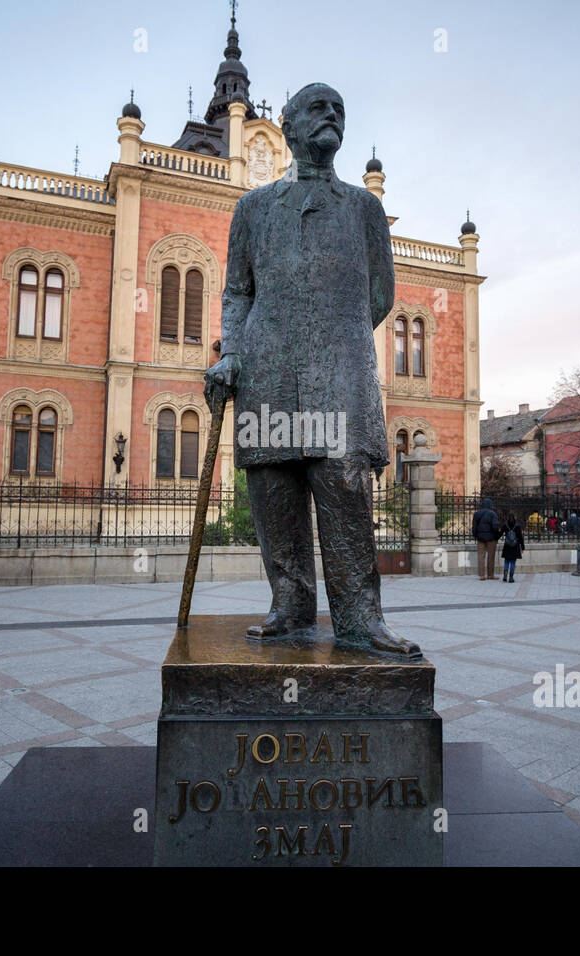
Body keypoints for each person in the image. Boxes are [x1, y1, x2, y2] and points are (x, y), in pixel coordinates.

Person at [203, 82, 417, 656]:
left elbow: (380, 296)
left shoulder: (365, 209)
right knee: (274, 490)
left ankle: (358, 619)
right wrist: (235, 354)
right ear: (290, 127)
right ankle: (290, 608)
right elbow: (236, 294)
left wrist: (325, 330)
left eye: (340, 110)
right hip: (267, 370)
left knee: (343, 489)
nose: (332, 117)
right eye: (319, 108)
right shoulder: (252, 209)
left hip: (339, 372)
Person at [472, 497, 502, 580]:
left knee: (481, 556)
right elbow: (495, 527)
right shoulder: (493, 514)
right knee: (491, 556)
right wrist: (497, 536)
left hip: (480, 538)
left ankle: (481, 575)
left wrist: (476, 536)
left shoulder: (477, 514)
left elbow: (474, 527)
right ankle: (490, 575)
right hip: (491, 538)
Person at [501, 515, 523, 583]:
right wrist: (522, 547)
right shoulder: (518, 526)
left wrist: (495, 537)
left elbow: (500, 533)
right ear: (514, 518)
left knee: (506, 561)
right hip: (515, 546)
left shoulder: (505, 526)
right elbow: (521, 538)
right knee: (513, 562)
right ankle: (511, 577)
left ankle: (505, 576)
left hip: (507, 545)